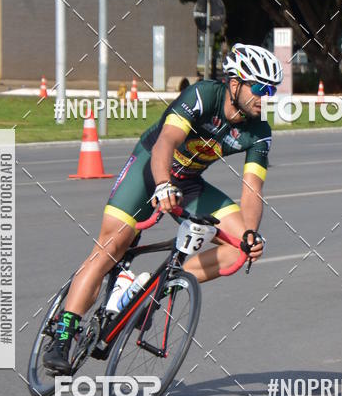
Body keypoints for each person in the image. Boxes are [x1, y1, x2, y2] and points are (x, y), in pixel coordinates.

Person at [43, 43, 283, 374]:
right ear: (235, 82)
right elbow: (166, 142)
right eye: (259, 87)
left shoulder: (259, 132)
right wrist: (161, 184)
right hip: (149, 169)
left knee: (239, 249)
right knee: (114, 244)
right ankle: (63, 335)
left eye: (271, 90)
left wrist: (251, 233)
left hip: (188, 183)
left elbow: (252, 187)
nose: (265, 96)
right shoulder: (203, 96)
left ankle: (152, 293)